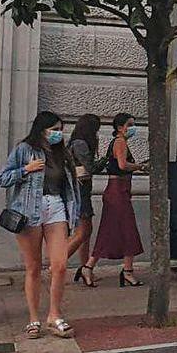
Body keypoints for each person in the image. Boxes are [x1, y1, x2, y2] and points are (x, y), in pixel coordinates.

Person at [0, 111, 82, 339]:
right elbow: (2, 178)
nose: (58, 133)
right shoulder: (24, 149)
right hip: (29, 211)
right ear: (41, 129)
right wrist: (25, 170)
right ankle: (33, 319)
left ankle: (54, 315)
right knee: (33, 267)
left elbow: (70, 187)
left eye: (60, 129)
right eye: (53, 129)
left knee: (60, 265)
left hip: (56, 207)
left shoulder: (62, 153)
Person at [83, 113, 146, 287]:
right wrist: (141, 166)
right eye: (130, 124)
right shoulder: (120, 142)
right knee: (123, 229)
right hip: (117, 191)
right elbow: (122, 165)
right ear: (120, 127)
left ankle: (124, 269)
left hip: (120, 190)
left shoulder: (120, 142)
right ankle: (97, 267)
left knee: (121, 230)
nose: (133, 128)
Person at [66, 113, 100, 286]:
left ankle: (85, 266)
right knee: (83, 231)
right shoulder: (80, 143)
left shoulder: (76, 141)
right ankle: (57, 263)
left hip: (81, 188)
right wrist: (103, 163)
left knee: (86, 230)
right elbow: (89, 166)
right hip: (80, 189)